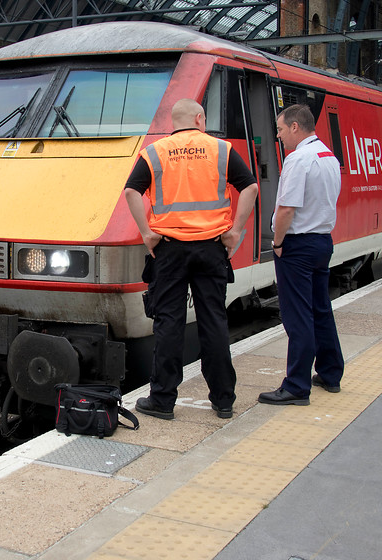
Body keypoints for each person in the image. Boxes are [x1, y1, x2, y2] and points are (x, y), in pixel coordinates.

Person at [124, 98, 259, 420]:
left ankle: (163, 400)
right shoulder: (220, 150)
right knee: (213, 321)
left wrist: (146, 232)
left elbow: (131, 191)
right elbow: (251, 187)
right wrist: (235, 231)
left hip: (169, 249)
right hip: (211, 248)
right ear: (199, 118)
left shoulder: (156, 152)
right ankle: (223, 400)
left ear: (174, 122)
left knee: (168, 323)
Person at [258, 103, 344, 406]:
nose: (279, 136)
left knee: (297, 317)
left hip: (298, 246)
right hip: (322, 242)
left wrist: (278, 243)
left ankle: (296, 386)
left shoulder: (298, 159)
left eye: (281, 129)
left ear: (296, 127)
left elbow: (287, 209)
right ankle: (331, 373)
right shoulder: (328, 157)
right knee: (320, 309)